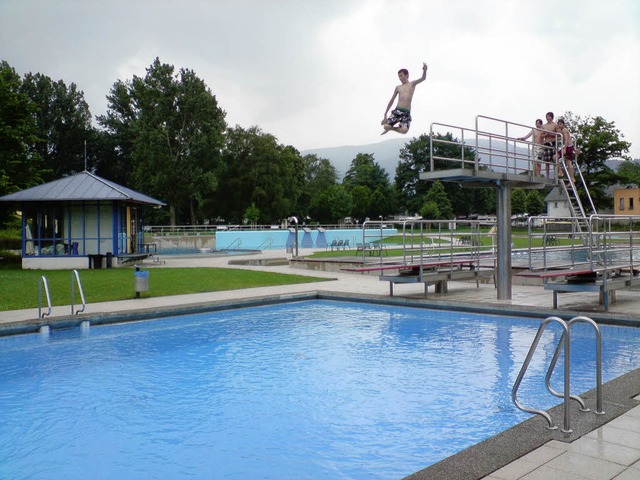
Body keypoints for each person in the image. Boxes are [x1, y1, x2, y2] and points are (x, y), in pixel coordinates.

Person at [381, 62, 428, 135]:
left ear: (407, 75)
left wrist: (425, 70)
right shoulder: (398, 87)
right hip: (397, 111)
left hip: (406, 113)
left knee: (404, 130)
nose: (400, 78)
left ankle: (392, 129)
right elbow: (391, 100)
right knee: (385, 126)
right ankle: (389, 128)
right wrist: (385, 114)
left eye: (401, 76)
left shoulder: (412, 84)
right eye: (399, 76)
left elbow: (423, 78)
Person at [556, 118, 576, 182]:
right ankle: (572, 178)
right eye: (558, 124)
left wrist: (564, 149)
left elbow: (567, 139)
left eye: (561, 124)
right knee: (568, 162)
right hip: (570, 147)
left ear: (563, 124)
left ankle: (560, 171)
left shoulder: (564, 130)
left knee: (555, 157)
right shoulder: (563, 130)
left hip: (567, 147)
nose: (559, 125)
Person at [541, 112, 558, 177]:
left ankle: (555, 175)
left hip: (553, 142)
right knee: (547, 161)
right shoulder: (544, 126)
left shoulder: (555, 125)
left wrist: (550, 134)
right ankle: (547, 175)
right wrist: (546, 134)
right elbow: (541, 135)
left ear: (552, 117)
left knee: (554, 159)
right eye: (547, 116)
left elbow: (558, 134)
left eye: (549, 116)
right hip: (546, 143)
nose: (548, 118)